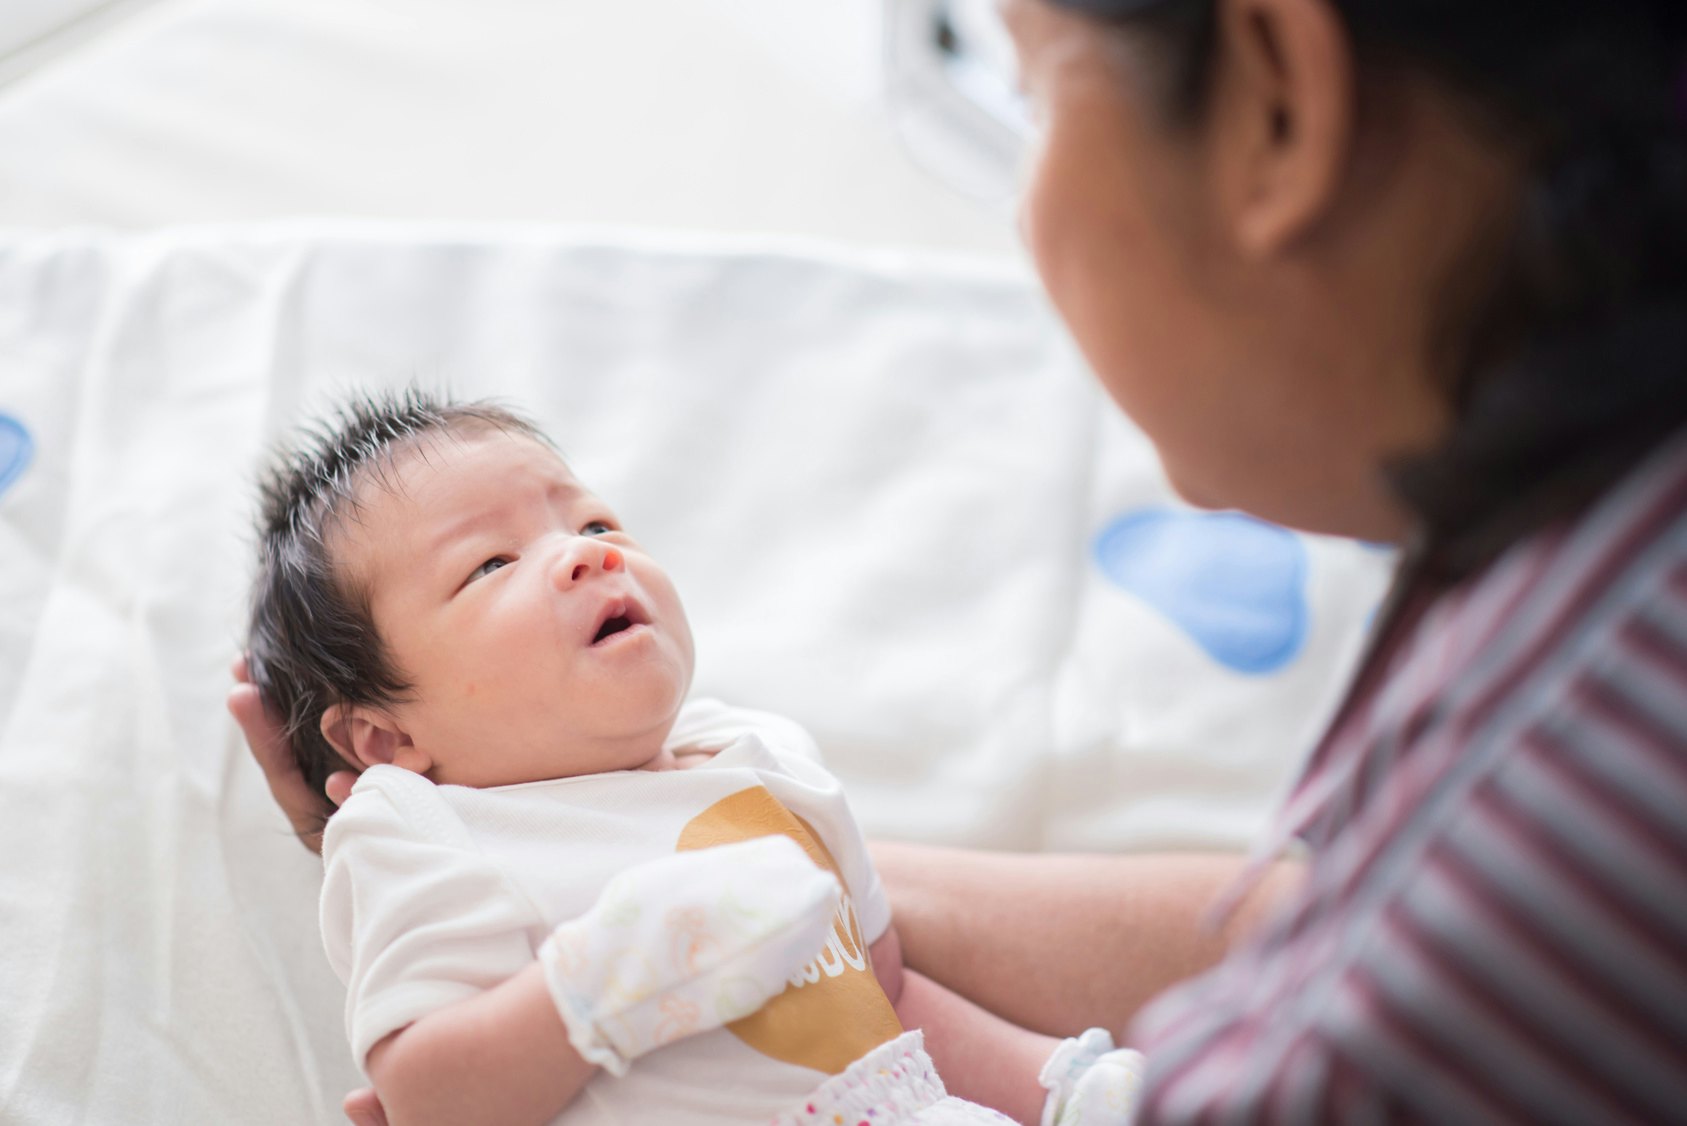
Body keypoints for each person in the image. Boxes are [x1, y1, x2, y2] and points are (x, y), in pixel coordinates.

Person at [234, 0, 1687, 1120]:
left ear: (1276, 99)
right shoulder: (1578, 575)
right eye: (485, 568)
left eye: (1027, 84)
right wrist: (558, 833)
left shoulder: (1560, 806)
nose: (578, 559)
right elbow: (1302, 915)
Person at [238, 390, 1143, 1126]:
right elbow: (427, 1099)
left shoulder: (755, 759)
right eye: (489, 565)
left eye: (594, 522)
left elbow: (888, 1003)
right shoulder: (430, 832)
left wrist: (1056, 1087)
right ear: (388, 740)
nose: (583, 557)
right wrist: (600, 981)